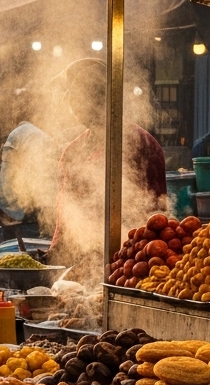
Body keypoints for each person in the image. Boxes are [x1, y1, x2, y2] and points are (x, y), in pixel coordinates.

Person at [50, 60, 167, 272]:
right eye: (69, 95)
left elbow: (152, 212)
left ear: (101, 98)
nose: (69, 102)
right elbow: (65, 211)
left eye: (76, 95)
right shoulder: (73, 149)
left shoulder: (137, 143)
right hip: (80, 261)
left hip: (131, 263)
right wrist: (54, 254)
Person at [0, 117, 54, 240]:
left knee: (16, 248)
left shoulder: (20, 133)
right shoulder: (35, 134)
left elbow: (6, 181)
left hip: (21, 211)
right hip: (30, 209)